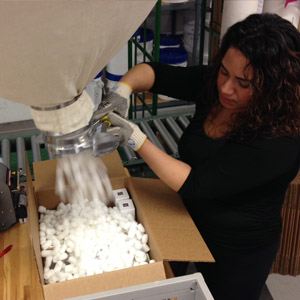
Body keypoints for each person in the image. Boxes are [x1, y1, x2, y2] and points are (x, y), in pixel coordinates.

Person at [94, 13, 300, 300]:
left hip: (238, 247)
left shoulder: (280, 141)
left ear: (273, 88)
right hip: (185, 217)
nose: (227, 88)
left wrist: (135, 138)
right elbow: (154, 72)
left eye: (244, 83)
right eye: (224, 72)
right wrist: (122, 89)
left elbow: (197, 183)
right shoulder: (217, 86)